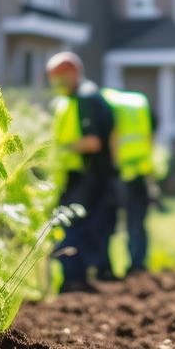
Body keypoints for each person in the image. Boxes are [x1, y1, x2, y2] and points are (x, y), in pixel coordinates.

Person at [47, 51, 114, 293]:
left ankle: (73, 279)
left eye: (60, 78)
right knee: (82, 225)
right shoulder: (77, 98)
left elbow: (93, 142)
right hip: (82, 175)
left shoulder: (86, 98)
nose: (56, 85)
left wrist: (61, 148)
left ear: (73, 73)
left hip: (89, 175)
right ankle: (77, 278)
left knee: (72, 224)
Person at [98, 87, 157, 278]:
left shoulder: (106, 104)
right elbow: (150, 135)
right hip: (139, 169)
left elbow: (113, 135)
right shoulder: (138, 104)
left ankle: (105, 269)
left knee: (107, 222)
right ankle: (138, 265)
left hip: (118, 171)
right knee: (136, 221)